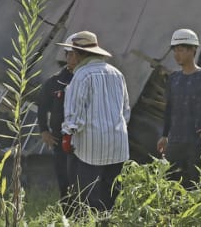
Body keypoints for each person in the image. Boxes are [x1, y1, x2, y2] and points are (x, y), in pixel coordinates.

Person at [59, 31, 130, 212]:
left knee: (88, 197)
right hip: (118, 145)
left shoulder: (82, 75)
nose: (68, 59)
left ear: (77, 54)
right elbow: (125, 112)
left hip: (91, 148)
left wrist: (67, 136)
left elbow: (74, 117)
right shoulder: (117, 74)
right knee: (111, 197)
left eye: (70, 54)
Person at [157, 28, 201, 187]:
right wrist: (164, 135)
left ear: (192, 50)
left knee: (198, 185)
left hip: (197, 143)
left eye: (181, 50)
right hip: (175, 141)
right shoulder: (174, 79)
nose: (177, 55)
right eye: (175, 51)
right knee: (167, 184)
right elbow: (169, 108)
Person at [36, 38, 75, 203]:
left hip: (85, 139)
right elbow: (42, 106)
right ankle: (68, 216)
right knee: (64, 182)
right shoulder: (55, 81)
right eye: (70, 55)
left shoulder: (89, 78)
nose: (74, 59)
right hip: (60, 139)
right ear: (66, 56)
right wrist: (44, 130)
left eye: (78, 55)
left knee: (83, 182)